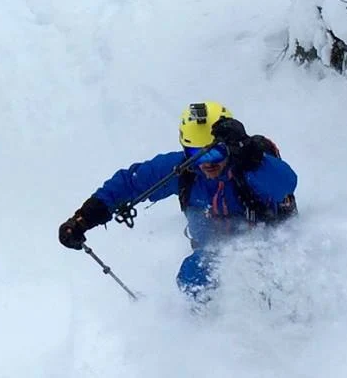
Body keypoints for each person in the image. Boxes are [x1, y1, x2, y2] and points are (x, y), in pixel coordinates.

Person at [59, 101, 298, 303]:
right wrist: (83, 219)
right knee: (192, 276)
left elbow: (285, 184)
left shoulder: (251, 165)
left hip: (269, 246)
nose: (207, 163)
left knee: (271, 281)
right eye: (195, 154)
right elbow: (130, 182)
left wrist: (250, 155)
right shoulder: (184, 171)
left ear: (230, 148)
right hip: (213, 252)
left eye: (215, 153)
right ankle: (210, 332)